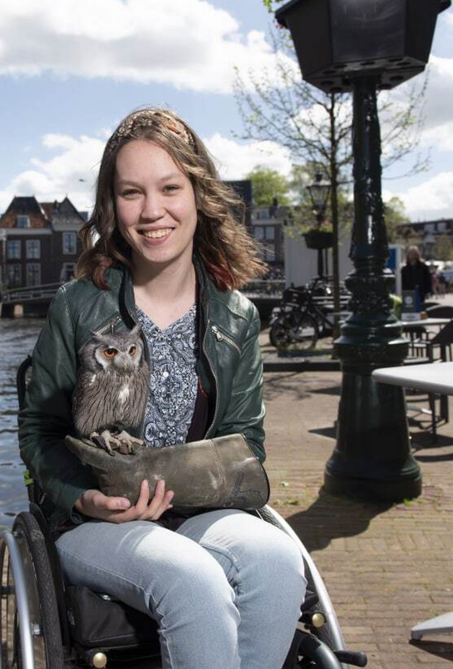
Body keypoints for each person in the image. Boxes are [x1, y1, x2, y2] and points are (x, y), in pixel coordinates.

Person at [18, 107, 306, 669]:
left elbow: (246, 439)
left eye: (170, 188)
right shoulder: (79, 305)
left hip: (201, 511)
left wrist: (202, 482)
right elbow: (41, 431)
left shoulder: (235, 315)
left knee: (278, 560)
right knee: (191, 579)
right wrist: (84, 496)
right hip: (96, 522)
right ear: (112, 205)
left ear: (198, 194)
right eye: (132, 193)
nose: (152, 212)